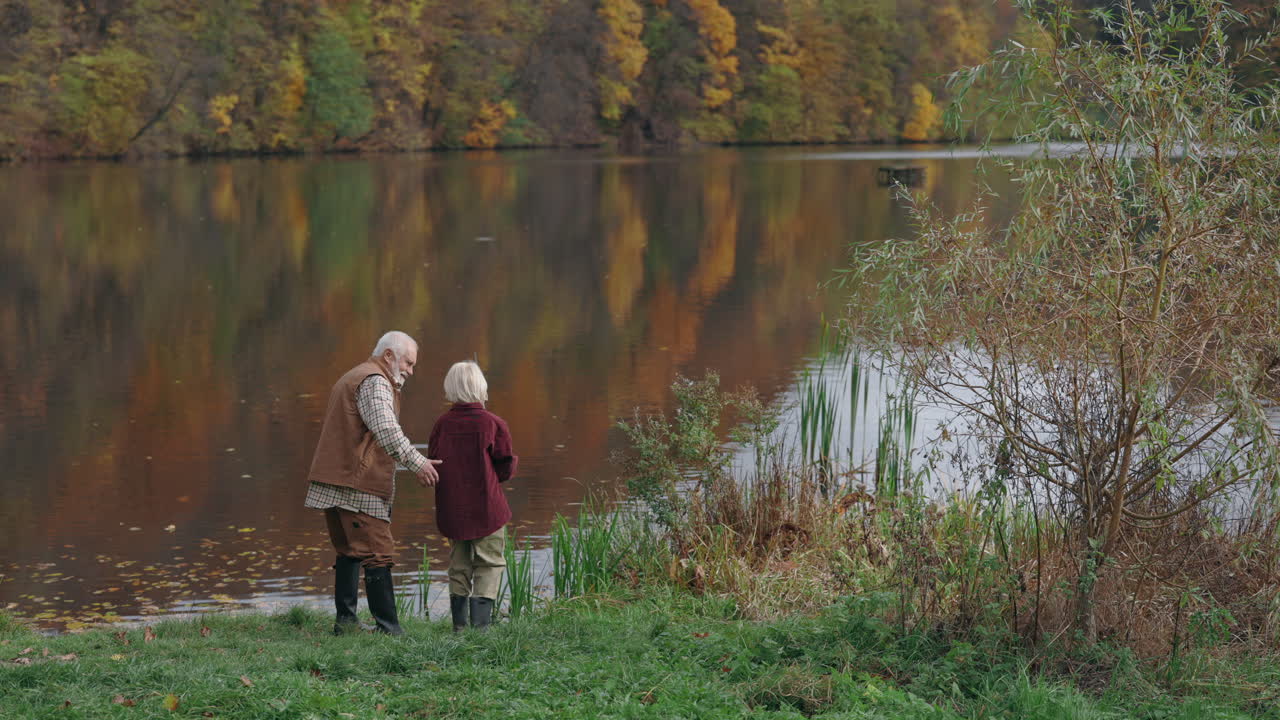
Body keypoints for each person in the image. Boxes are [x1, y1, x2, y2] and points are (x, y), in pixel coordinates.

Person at [303, 331, 442, 636]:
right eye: (408, 362)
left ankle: (346, 623)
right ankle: (389, 630)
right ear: (389, 355)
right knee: (379, 551)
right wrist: (417, 462)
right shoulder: (375, 381)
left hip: (336, 479)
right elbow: (386, 429)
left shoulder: (354, 375)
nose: (410, 370)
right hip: (357, 484)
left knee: (349, 551)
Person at [427, 361, 518, 631]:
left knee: (459, 564)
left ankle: (459, 627)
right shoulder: (493, 423)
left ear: (450, 388)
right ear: (481, 387)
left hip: (453, 509)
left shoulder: (441, 424)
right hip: (487, 508)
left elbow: (434, 461)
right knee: (490, 562)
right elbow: (503, 466)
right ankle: (481, 629)